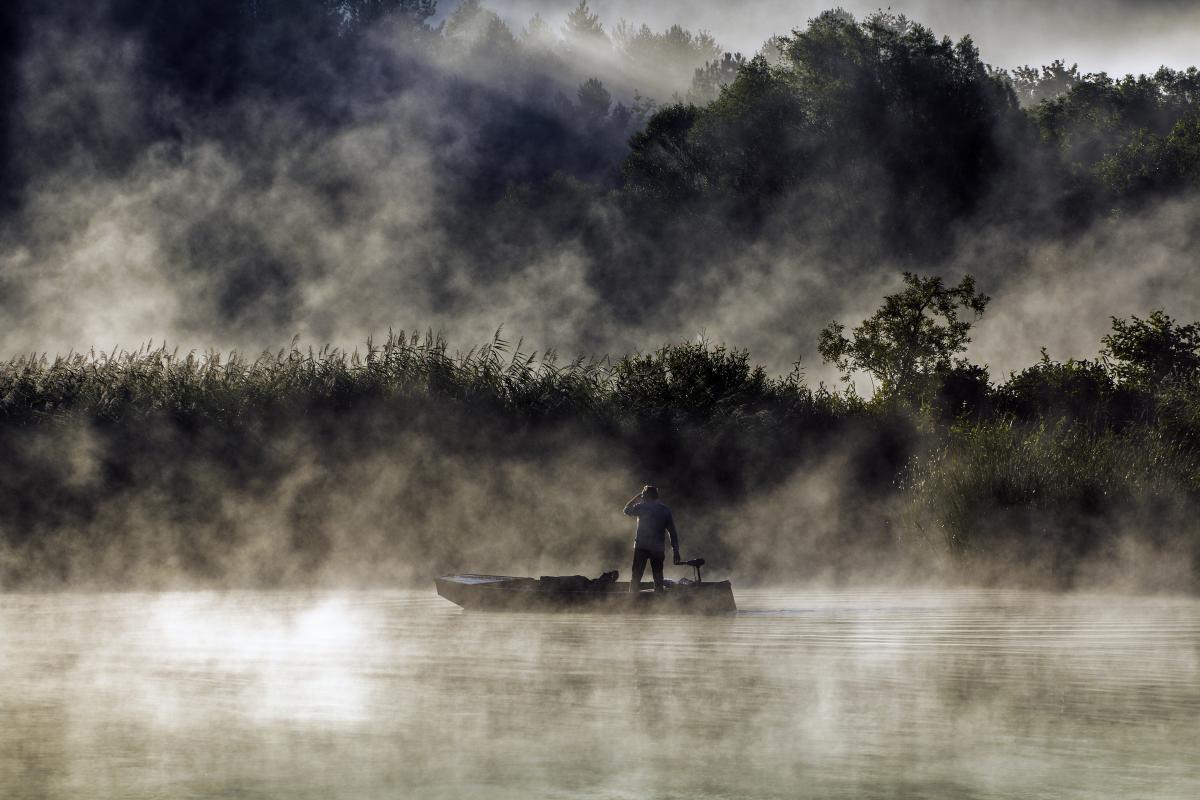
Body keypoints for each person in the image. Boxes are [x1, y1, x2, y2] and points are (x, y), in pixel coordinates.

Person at [623, 485, 680, 592]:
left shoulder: (641, 507)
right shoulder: (665, 510)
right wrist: (675, 550)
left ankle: (631, 598)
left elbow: (626, 510)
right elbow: (672, 532)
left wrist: (636, 498)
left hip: (641, 547)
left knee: (636, 576)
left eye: (643, 495)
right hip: (657, 548)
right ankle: (659, 597)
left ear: (645, 496)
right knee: (658, 578)